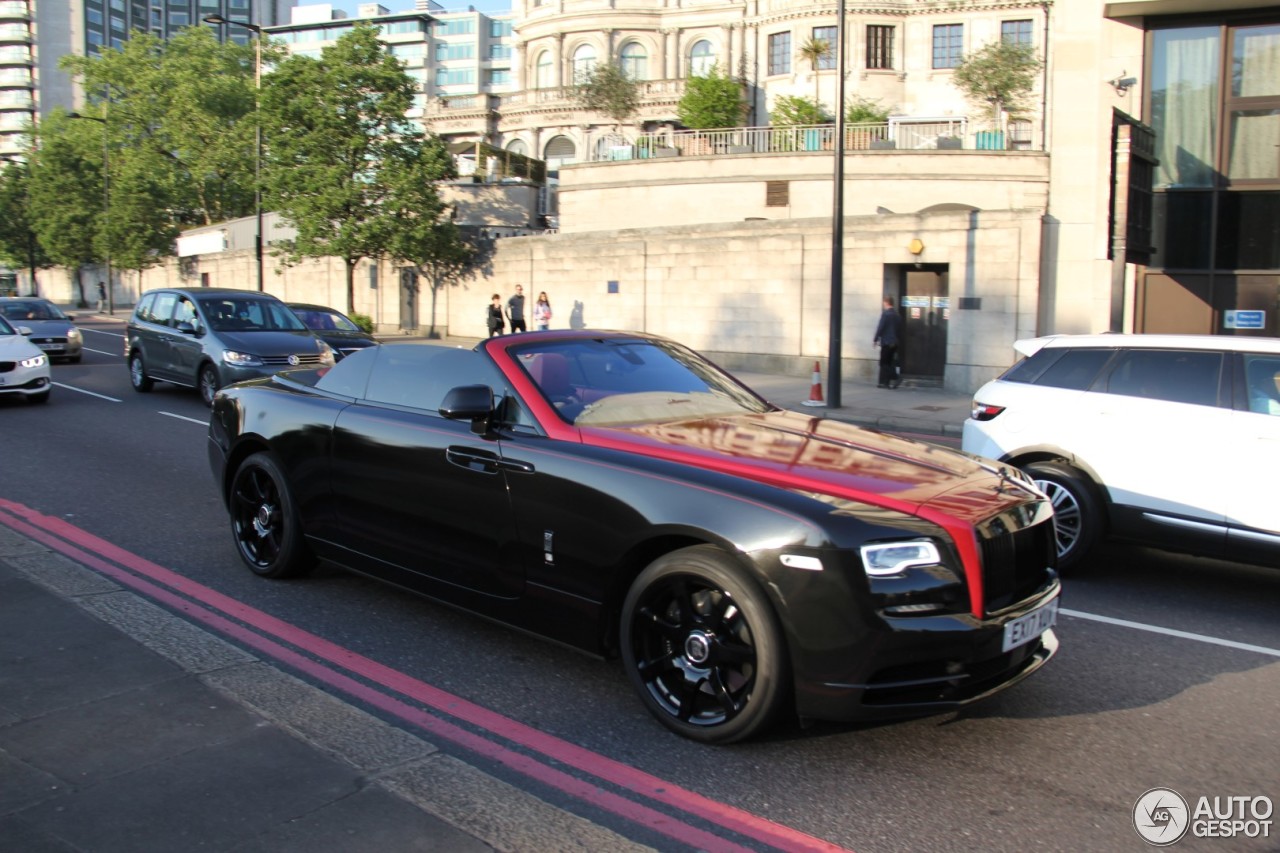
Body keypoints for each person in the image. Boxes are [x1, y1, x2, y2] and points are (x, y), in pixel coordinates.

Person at [873, 296, 902, 389]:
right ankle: (885, 383)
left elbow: (880, 327)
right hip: (895, 342)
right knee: (889, 362)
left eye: (883, 302)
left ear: (886, 302)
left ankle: (896, 377)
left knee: (883, 363)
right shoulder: (897, 315)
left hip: (887, 342)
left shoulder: (886, 314)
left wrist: (875, 339)